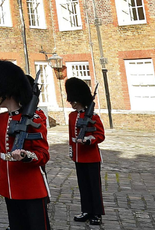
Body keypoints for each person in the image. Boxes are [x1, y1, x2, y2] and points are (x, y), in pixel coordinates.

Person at [0, 60, 50, 230]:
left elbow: (43, 153)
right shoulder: (1, 119)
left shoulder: (33, 119)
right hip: (9, 185)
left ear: (8, 92)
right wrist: (1, 179)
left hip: (30, 186)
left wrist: (26, 156)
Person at [66, 77, 105, 225]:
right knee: (83, 185)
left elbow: (100, 135)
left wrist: (89, 139)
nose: (72, 103)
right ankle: (86, 210)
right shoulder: (72, 116)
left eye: (73, 100)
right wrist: (72, 152)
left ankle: (97, 213)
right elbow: (71, 137)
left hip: (91, 156)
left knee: (94, 186)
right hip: (79, 156)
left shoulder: (93, 116)